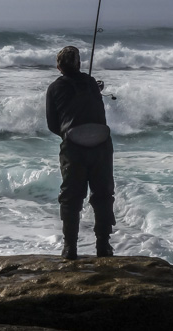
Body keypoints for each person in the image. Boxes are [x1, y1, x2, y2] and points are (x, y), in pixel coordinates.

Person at [45, 45, 115, 260]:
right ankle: (103, 246)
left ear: (58, 67)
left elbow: (52, 124)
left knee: (71, 197)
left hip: (73, 147)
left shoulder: (55, 88)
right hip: (102, 144)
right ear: (79, 64)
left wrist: (71, 135)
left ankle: (69, 248)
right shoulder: (92, 83)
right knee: (103, 195)